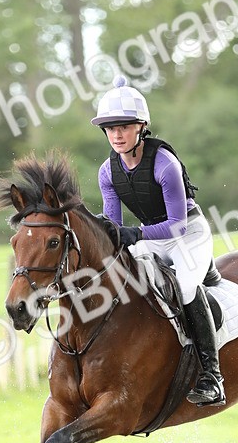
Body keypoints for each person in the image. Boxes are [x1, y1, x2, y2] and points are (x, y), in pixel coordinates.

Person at [92, 75, 225, 406]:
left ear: (141, 127)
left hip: (187, 234)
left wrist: (135, 234)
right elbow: (114, 226)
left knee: (186, 288)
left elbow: (177, 225)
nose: (117, 135)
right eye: (110, 128)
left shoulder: (165, 163)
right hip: (152, 236)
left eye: (124, 127)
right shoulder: (107, 172)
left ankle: (212, 377)